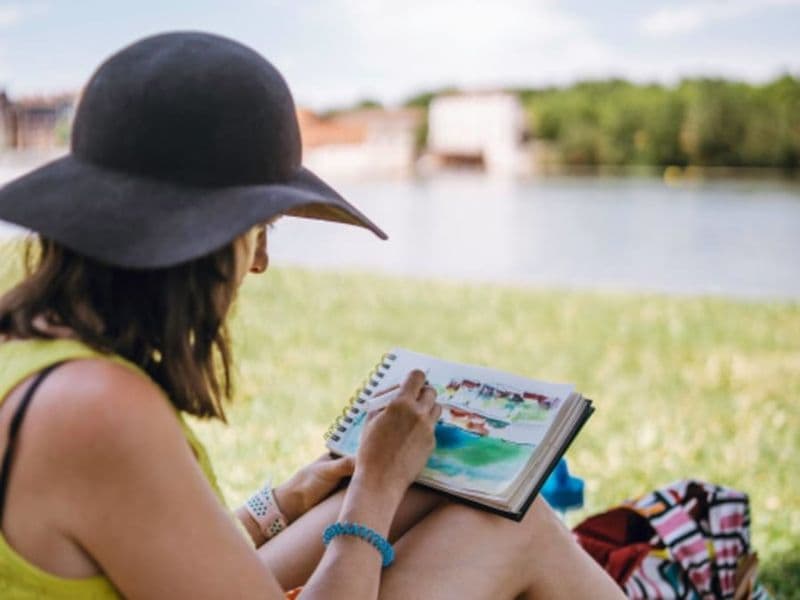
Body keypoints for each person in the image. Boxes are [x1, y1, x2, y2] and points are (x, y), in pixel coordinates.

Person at [0, 32, 624, 599]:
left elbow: (151, 558)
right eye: (260, 228)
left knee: (451, 496)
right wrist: (373, 489)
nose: (262, 261)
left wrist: (283, 503)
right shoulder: (99, 412)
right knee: (518, 529)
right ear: (202, 238)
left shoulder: (39, 358)